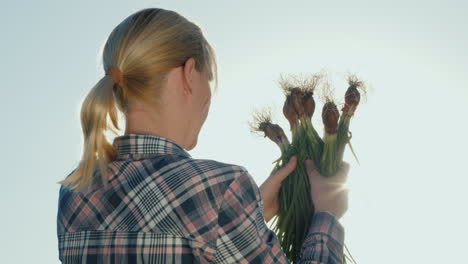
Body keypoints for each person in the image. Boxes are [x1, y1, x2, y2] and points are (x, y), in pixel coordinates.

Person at [57, 7, 349, 264]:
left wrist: (250, 211)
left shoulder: (74, 194)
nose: (209, 95)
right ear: (189, 73)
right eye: (208, 79)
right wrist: (327, 214)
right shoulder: (223, 187)